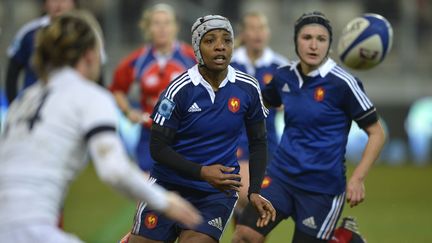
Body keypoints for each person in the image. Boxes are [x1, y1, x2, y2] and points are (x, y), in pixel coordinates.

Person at [0, 10, 202, 243]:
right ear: (89, 54)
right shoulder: (90, 96)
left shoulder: (25, 100)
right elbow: (113, 169)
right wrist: (165, 201)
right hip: (30, 230)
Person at [232, 11, 386, 243]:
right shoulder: (284, 76)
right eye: (307, 38)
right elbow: (261, 104)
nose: (313, 45)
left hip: (321, 188)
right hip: (280, 178)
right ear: (296, 41)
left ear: (330, 45)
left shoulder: (343, 84)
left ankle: (346, 238)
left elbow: (376, 133)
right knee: (244, 236)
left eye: (321, 39)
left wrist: (358, 179)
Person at [126, 15, 276, 243]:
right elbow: (157, 147)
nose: (220, 46)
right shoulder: (179, 90)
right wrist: (202, 172)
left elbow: (258, 142)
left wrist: (254, 190)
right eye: (210, 41)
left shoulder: (248, 88)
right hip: (168, 187)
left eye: (227, 40)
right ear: (197, 48)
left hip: (216, 194)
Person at [109, 3, 196, 171]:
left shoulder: (190, 57)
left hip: (184, 135)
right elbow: (117, 89)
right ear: (147, 27)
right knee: (146, 190)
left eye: (167, 23)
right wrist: (128, 111)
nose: (162, 28)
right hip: (150, 134)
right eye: (156, 23)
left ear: (175, 27)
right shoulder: (138, 60)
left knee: (184, 191)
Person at [230, 11, 289, 219]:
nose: (258, 33)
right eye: (253, 28)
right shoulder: (229, 64)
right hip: (236, 139)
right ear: (243, 33)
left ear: (268, 32)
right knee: (247, 193)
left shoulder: (279, 66)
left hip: (267, 140)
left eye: (262, 28)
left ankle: (240, 226)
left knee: (260, 207)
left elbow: (290, 102)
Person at [5, 0, 77, 104]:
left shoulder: (85, 33)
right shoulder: (29, 33)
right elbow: (12, 75)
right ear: (44, 4)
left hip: (72, 104)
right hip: (34, 104)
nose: (59, 4)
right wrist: (13, 106)